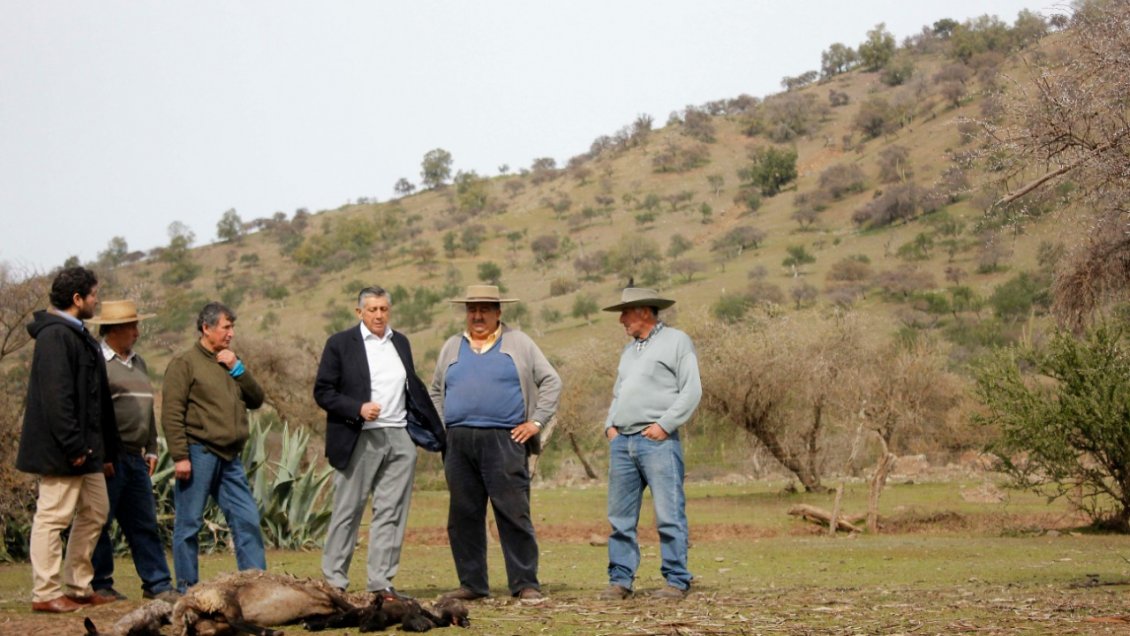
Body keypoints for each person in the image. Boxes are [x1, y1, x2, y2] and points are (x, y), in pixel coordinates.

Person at [430, 285, 561, 601]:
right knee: (463, 515)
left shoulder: (519, 343)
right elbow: (435, 390)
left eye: (485, 309)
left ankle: (525, 583)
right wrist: (443, 427)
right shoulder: (451, 346)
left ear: (498, 312)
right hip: (458, 442)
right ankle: (472, 584)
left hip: (504, 439)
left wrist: (536, 422)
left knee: (513, 512)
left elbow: (551, 381)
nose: (477, 315)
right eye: (472, 309)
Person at [314, 286, 445, 600]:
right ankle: (334, 584)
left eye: (384, 309)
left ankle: (381, 583)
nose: (378, 315)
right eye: (372, 309)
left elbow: (410, 386)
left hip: (399, 438)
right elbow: (323, 392)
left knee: (391, 512)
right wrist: (357, 408)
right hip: (359, 435)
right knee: (348, 510)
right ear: (359, 312)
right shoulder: (340, 344)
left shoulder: (400, 342)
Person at [16, 266, 121, 613]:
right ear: (77, 299)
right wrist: (73, 446)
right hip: (65, 449)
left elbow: (93, 400)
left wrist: (101, 449)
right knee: (53, 516)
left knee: (96, 510)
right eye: (93, 294)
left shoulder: (76, 334)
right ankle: (45, 592)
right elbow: (57, 398)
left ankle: (78, 586)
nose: (96, 300)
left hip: (86, 449)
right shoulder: (55, 336)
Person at [598, 285, 701, 601]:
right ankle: (621, 580)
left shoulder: (677, 341)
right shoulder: (629, 352)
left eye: (625, 313)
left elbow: (691, 390)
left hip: (658, 442)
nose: (621, 321)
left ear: (644, 311)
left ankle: (676, 580)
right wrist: (610, 427)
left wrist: (664, 425)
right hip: (623, 442)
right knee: (620, 518)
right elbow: (618, 392)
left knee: (669, 513)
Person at [161, 301, 266, 593]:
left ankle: (256, 587)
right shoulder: (184, 364)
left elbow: (257, 399)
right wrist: (180, 456)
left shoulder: (230, 362)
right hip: (199, 453)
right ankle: (187, 590)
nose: (231, 333)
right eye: (226, 327)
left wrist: (237, 368)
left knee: (247, 519)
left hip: (230, 457)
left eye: (232, 327)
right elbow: (171, 413)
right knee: (189, 524)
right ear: (206, 328)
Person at [86, 300, 178, 602]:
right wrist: (102, 455)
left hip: (137, 457)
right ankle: (100, 584)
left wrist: (152, 448)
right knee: (100, 522)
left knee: (144, 523)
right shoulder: (96, 361)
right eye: (132, 326)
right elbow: (94, 414)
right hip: (110, 457)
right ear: (114, 330)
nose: (137, 332)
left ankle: (158, 584)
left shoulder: (139, 363)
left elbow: (147, 408)